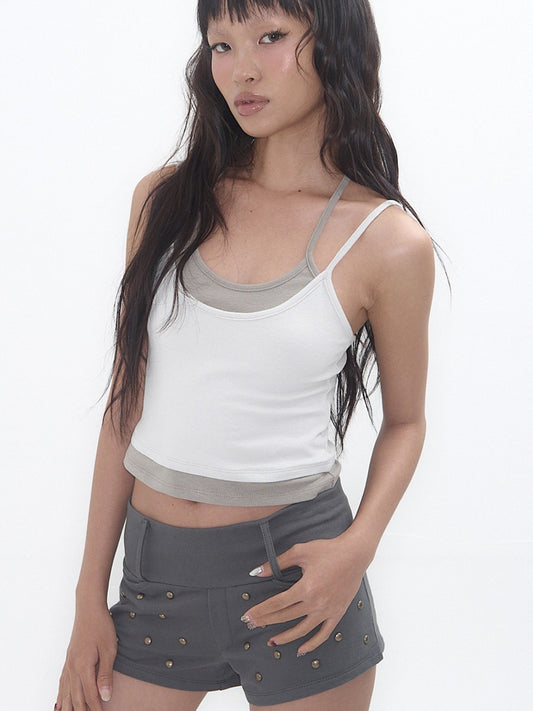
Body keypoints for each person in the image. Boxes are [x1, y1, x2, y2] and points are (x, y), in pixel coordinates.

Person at [55, 0, 437, 709]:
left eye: (271, 36)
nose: (242, 70)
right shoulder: (165, 201)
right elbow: (125, 405)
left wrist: (355, 550)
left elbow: (406, 422)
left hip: (301, 581)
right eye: (222, 45)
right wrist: (87, 599)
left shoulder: (386, 241)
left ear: (336, 44)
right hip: (155, 580)